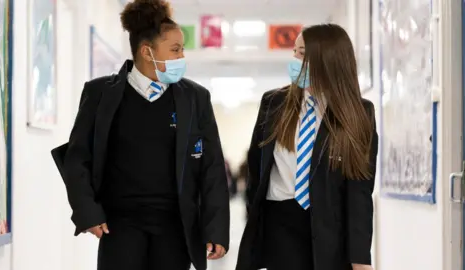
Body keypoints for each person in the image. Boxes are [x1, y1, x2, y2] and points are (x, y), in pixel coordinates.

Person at [51, 1, 230, 270]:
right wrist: (87, 211)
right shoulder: (101, 94)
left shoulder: (194, 98)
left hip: (175, 227)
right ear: (147, 52)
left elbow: (212, 167)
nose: (182, 57)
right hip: (119, 226)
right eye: (175, 49)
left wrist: (215, 229)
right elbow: (78, 159)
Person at [236, 24, 378, 270]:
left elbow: (360, 192)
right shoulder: (274, 103)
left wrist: (361, 259)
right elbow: (256, 169)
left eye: (302, 53)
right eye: (294, 52)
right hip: (280, 226)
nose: (294, 60)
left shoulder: (359, 112)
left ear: (326, 59)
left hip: (330, 231)